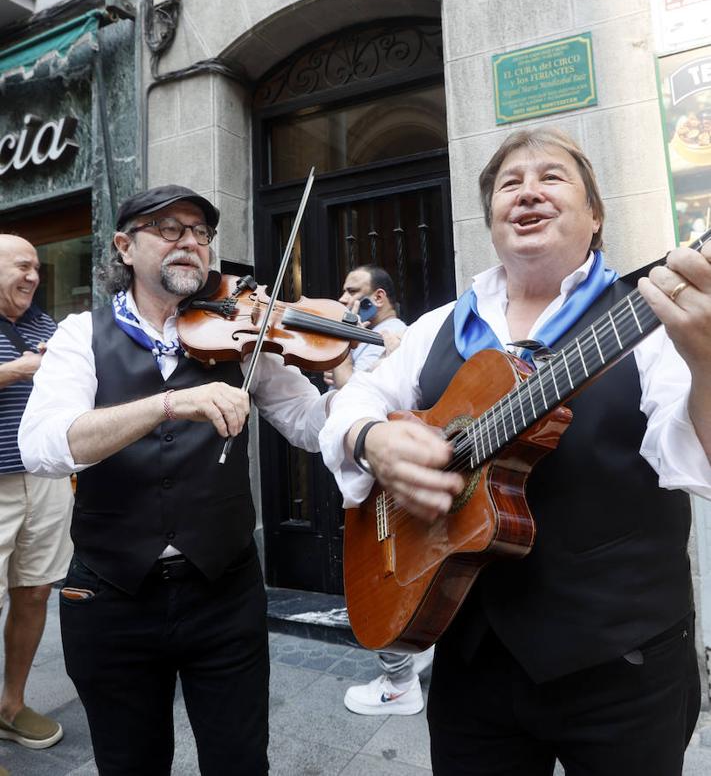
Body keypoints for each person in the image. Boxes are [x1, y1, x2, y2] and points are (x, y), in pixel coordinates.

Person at [320, 127, 711, 775]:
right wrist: (372, 437)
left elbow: (696, 463)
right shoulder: (434, 327)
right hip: (470, 658)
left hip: (622, 664)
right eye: (509, 182)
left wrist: (706, 360)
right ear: (491, 219)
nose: (528, 190)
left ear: (594, 216)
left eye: (552, 177)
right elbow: (347, 409)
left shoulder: (648, 318)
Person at [18, 186, 333, 776]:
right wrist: (168, 403)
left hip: (224, 590)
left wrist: (351, 376)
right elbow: (42, 448)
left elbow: (311, 428)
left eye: (201, 233)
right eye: (169, 229)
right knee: (128, 762)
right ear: (124, 246)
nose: (190, 242)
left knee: (238, 761)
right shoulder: (80, 335)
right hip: (113, 596)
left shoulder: (240, 335)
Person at [328, 265, 434, 715]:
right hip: (371, 477)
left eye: (354, 292)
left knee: (378, 582)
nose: (346, 300)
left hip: (381, 485)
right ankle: (411, 656)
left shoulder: (394, 337)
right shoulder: (371, 336)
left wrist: (338, 355)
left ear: (380, 296)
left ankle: (399, 683)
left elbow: (360, 396)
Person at [0, 235, 73, 754]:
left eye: (37, 270)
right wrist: (21, 369)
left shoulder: (46, 324)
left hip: (43, 478)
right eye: (22, 267)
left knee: (36, 590)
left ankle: (11, 705)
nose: (33, 277)